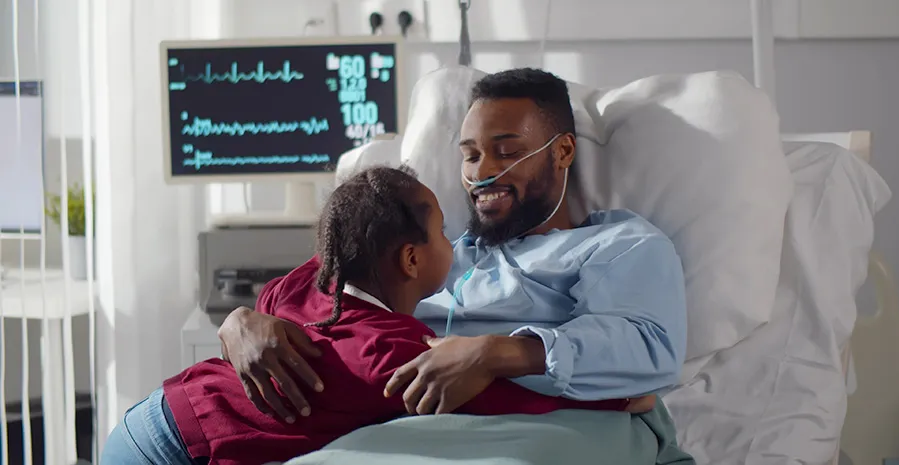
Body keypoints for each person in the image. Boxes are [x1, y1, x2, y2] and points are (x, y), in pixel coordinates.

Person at [219, 68, 687, 423]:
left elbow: (647, 347)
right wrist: (242, 322)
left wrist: (493, 353)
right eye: (470, 154)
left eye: (505, 152)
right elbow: (321, 287)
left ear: (562, 151)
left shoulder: (616, 245)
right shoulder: (431, 248)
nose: (482, 172)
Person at [101, 166, 646, 465]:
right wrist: (627, 396)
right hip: (174, 452)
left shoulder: (311, 282)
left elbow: (269, 299)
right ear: (411, 259)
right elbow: (517, 396)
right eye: (438, 234)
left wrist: (245, 316)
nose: (451, 240)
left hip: (147, 417)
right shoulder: (391, 355)